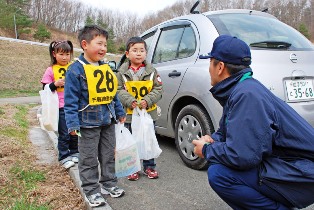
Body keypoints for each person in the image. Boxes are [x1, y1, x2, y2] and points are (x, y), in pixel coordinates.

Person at [192, 35, 314, 210]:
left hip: (303, 172)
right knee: (220, 165)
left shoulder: (247, 95)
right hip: (292, 165)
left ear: (220, 67)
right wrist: (213, 140)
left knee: (220, 174)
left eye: (210, 62)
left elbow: (242, 156)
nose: (208, 69)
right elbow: (227, 131)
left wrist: (205, 150)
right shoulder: (241, 88)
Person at [64, 25, 126, 207]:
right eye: (99, 43)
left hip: (108, 120)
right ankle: (92, 191)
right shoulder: (75, 70)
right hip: (87, 124)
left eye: (105, 44)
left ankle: (109, 184)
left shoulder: (106, 67)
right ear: (85, 44)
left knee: (108, 155)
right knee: (88, 159)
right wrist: (72, 124)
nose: (103, 48)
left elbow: (112, 93)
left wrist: (120, 111)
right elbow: (70, 101)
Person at [116, 36, 163, 181]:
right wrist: (130, 101)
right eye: (134, 50)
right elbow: (117, 90)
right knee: (132, 141)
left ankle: (149, 167)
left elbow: (158, 89)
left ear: (146, 53)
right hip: (129, 114)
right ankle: (133, 168)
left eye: (142, 50)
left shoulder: (152, 71)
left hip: (148, 114)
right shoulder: (121, 72)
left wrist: (147, 100)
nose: (138, 53)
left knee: (148, 139)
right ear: (127, 53)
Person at [41, 40, 79, 169]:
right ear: (54, 54)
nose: (65, 57)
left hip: (74, 105)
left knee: (75, 131)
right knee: (64, 133)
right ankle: (64, 156)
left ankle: (75, 152)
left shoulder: (74, 67)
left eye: (67, 54)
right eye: (61, 54)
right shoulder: (51, 70)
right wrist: (54, 84)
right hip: (60, 106)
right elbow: (44, 87)